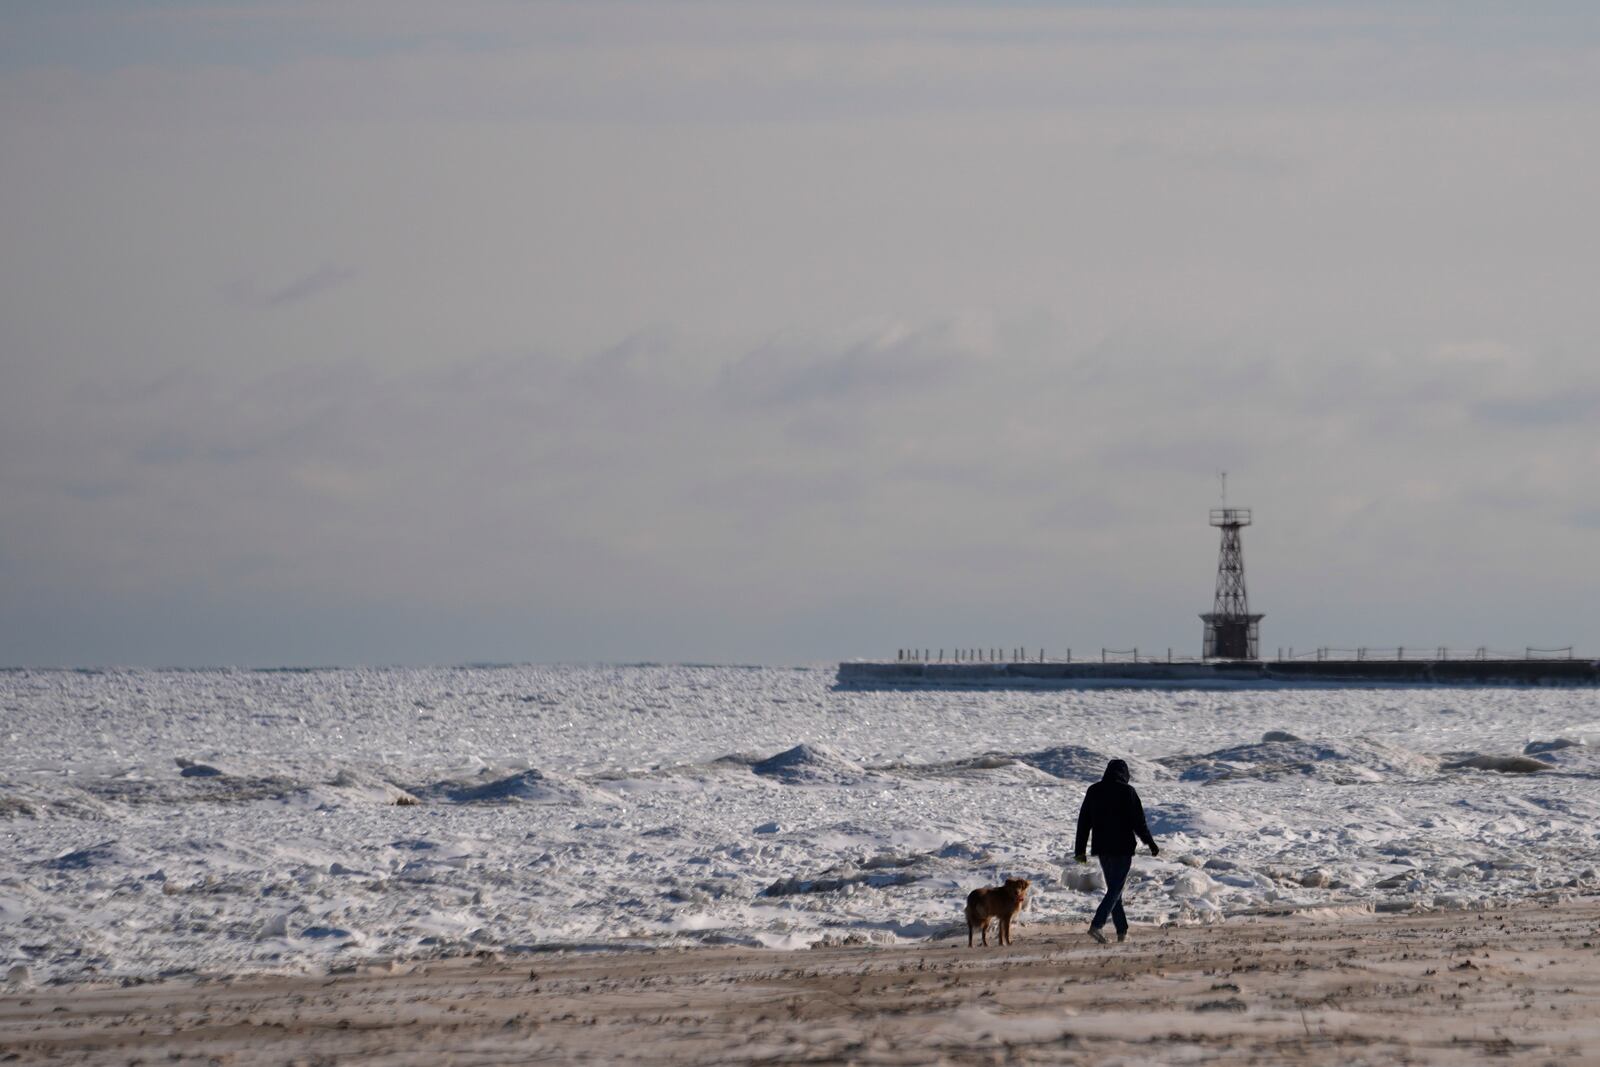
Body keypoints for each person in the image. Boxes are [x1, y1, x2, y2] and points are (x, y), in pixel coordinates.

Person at [1073, 758, 1158, 944]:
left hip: (1103, 849)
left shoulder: (1094, 790)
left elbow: (1084, 822)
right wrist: (1150, 843)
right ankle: (1097, 925)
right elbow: (1139, 822)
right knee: (1116, 889)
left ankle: (1122, 931)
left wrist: (1080, 850)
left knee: (1114, 889)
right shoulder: (1128, 791)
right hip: (1122, 848)